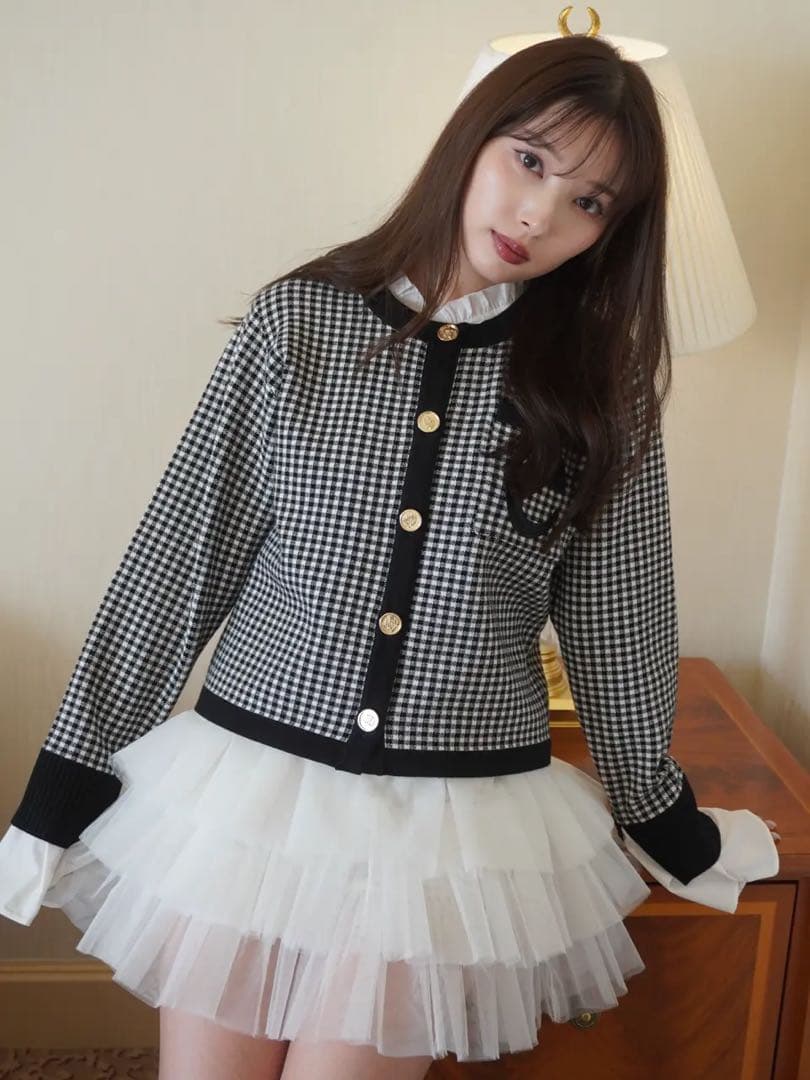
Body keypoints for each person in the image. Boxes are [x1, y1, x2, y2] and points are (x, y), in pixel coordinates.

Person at [0, 33, 780, 1080]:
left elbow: (622, 623)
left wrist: (662, 816)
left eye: (589, 202)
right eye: (529, 161)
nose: (538, 215)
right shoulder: (300, 323)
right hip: (254, 797)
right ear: (472, 139)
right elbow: (179, 560)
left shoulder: (605, 388)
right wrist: (66, 782)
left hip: (449, 824)